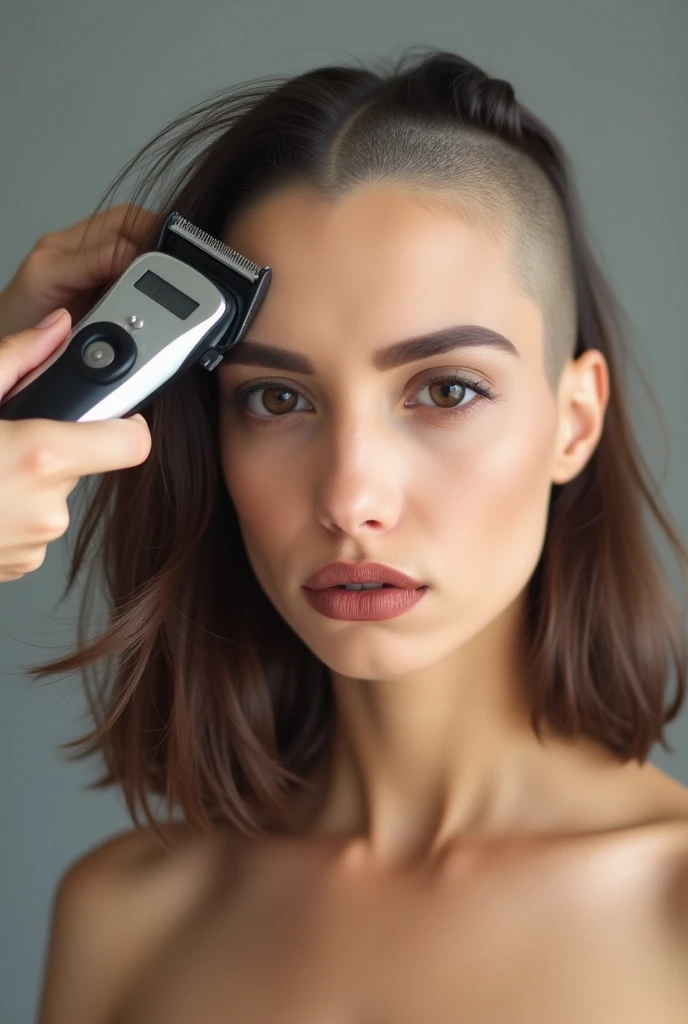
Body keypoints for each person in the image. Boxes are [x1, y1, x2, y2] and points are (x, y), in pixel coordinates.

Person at [2, 48, 688, 1023]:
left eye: (445, 390)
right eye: (277, 398)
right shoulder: (126, 916)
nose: (350, 497)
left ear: (572, 422)